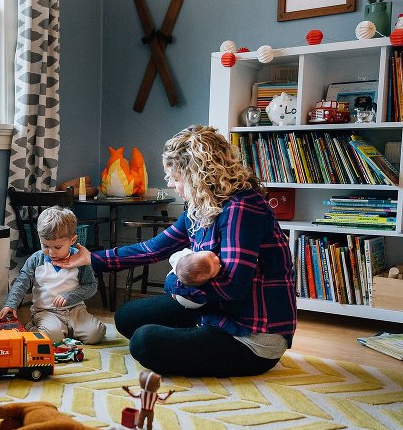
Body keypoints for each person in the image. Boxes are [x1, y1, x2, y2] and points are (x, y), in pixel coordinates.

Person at [58, 124, 296, 377]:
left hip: (251, 337)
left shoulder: (242, 208)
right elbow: (152, 249)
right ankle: (195, 337)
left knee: (144, 342)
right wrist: (93, 259)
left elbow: (234, 288)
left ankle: (198, 340)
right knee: (127, 317)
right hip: (213, 311)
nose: (170, 184)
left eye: (175, 177)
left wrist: (174, 283)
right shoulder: (200, 208)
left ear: (197, 176)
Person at [0, 206, 107, 344]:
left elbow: (91, 286)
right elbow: (21, 282)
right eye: (45, 246)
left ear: (72, 240)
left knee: (96, 334)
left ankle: (67, 330)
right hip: (46, 311)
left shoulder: (79, 259)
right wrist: (11, 304)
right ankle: (34, 327)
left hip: (75, 309)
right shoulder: (36, 260)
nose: (51, 253)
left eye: (57, 247)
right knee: (51, 338)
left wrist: (70, 297)